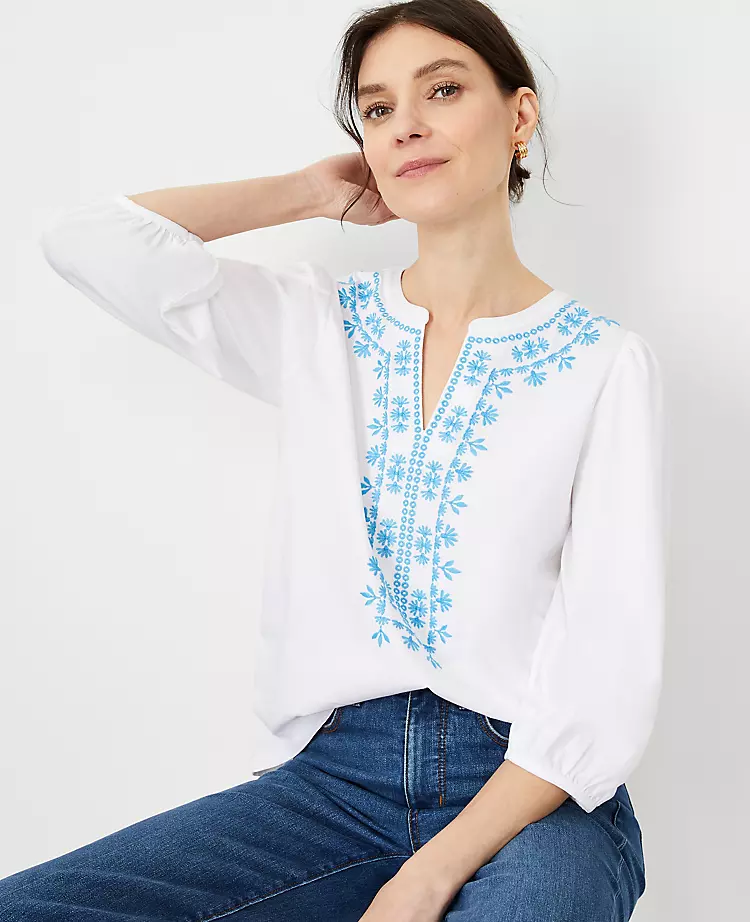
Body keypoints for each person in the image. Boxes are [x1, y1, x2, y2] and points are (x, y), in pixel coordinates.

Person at [4, 0, 665, 919]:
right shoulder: (320, 327)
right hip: (332, 787)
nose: (408, 126)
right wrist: (307, 192)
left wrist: (429, 873)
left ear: (520, 115)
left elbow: (605, 666)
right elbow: (86, 242)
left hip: (533, 790)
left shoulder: (603, 363)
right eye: (379, 109)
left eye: (443, 90)